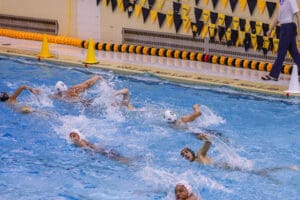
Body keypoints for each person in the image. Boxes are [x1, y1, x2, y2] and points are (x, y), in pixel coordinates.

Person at [180, 133, 299, 175]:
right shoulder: (195, 162)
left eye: (186, 152)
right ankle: (284, 169)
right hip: (224, 168)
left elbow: (209, 141)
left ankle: (287, 167)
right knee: (257, 173)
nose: (185, 155)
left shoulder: (200, 154)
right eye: (183, 155)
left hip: (227, 166)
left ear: (191, 152)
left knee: (258, 172)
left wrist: (203, 137)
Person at [261, 0, 300, 81]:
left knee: (281, 52)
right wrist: (270, 30)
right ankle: (273, 75)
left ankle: (273, 75)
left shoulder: (291, 0)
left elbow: (298, 15)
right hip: (284, 27)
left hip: (288, 27)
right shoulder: (282, 1)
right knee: (294, 52)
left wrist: (299, 33)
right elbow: (278, 17)